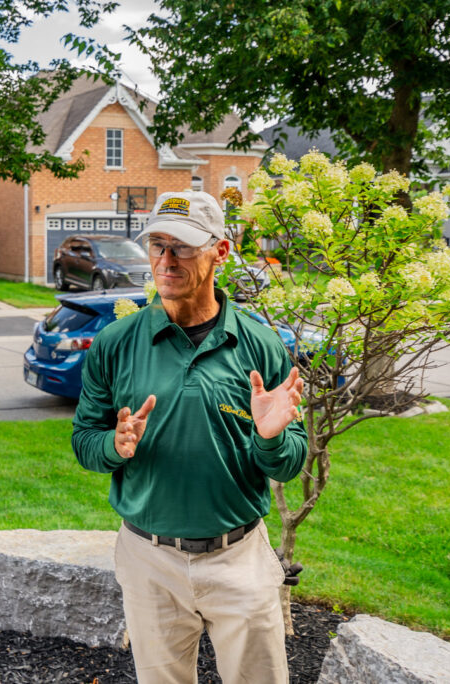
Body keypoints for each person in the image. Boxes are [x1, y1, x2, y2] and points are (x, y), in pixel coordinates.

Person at [72, 190, 308, 683]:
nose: (166, 259)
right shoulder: (116, 344)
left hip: (238, 559)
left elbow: (288, 463)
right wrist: (113, 446)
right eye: (157, 245)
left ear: (220, 252)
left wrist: (268, 437)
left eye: (182, 246)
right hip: (148, 561)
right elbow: (84, 442)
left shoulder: (260, 345)